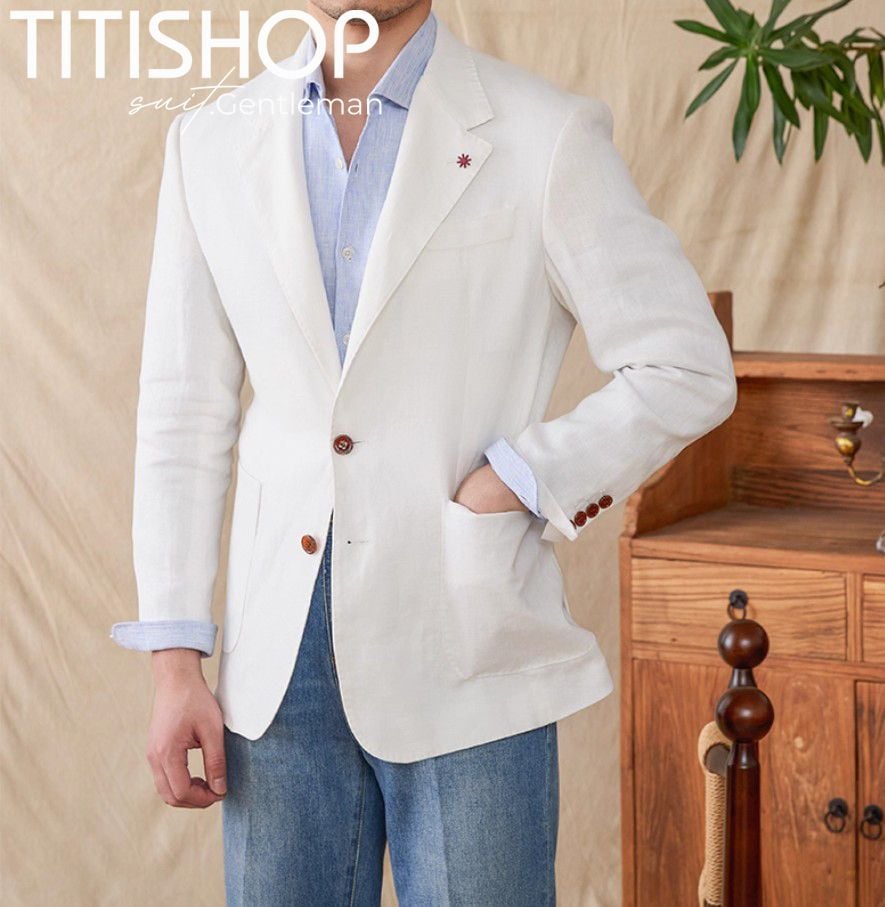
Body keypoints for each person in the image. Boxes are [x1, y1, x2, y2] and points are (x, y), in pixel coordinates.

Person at [111, 1, 737, 903]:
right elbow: (183, 411)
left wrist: (523, 478)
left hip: (466, 634)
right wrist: (174, 657)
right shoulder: (208, 142)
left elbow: (686, 364)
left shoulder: (544, 134)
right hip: (277, 661)